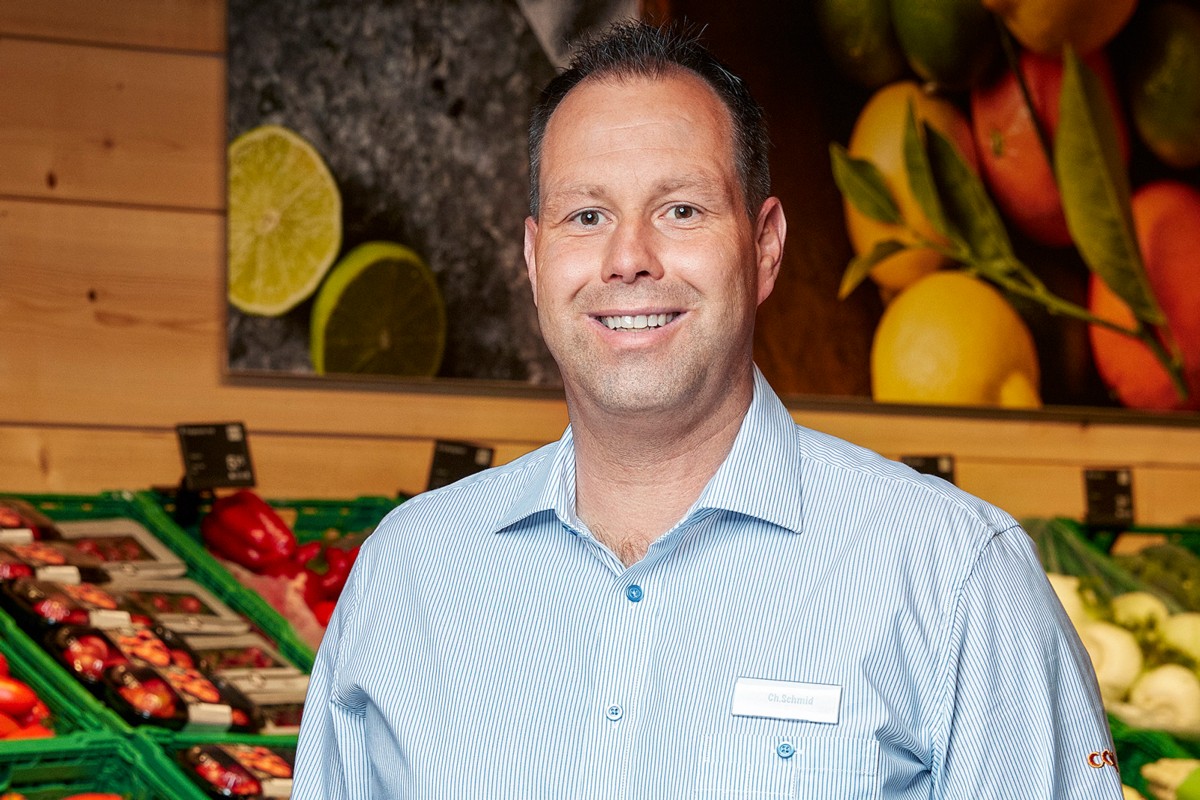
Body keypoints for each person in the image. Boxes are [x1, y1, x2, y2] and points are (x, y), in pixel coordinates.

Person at [294, 21, 1122, 799]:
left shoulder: (955, 578)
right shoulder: (409, 576)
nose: (628, 258)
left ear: (765, 247)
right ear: (535, 259)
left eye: (681, 210)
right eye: (587, 215)